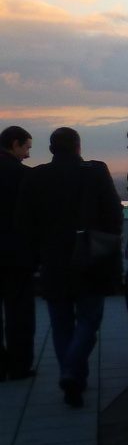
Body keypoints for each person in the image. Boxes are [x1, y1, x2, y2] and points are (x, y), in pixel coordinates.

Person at [14, 128, 122, 406]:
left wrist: (33, 258)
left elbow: (25, 224)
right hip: (90, 258)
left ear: (51, 149)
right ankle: (73, 372)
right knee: (89, 320)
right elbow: (113, 212)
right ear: (78, 147)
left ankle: (72, 376)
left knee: (61, 324)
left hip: (53, 262)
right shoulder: (95, 171)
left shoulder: (34, 176)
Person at [0, 126, 36, 380]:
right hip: (16, 255)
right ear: (15, 144)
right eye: (26, 148)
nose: (27, 154)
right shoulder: (23, 176)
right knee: (19, 312)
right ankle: (19, 365)